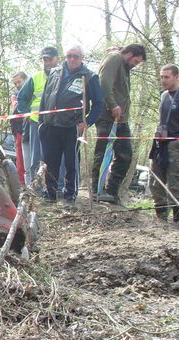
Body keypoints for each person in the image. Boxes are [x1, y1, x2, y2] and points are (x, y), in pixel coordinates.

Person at [38, 45, 102, 206]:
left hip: (72, 127)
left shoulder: (89, 76)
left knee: (70, 163)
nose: (72, 59)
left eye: (76, 56)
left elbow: (99, 104)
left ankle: (69, 196)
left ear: (82, 58)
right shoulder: (54, 72)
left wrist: (86, 122)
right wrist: (41, 121)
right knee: (50, 162)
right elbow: (45, 98)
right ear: (65, 57)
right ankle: (50, 194)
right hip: (50, 125)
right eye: (69, 56)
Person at [92, 44, 147, 204]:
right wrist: (112, 104)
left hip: (121, 120)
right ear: (128, 54)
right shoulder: (114, 58)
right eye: (135, 61)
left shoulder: (124, 66)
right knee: (102, 154)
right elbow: (104, 83)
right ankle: (96, 191)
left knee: (125, 155)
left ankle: (111, 191)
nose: (135, 66)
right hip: (107, 116)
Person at [15, 47, 61, 185]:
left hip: (58, 123)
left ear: (57, 59)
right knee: (37, 158)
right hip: (37, 123)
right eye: (44, 60)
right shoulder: (35, 78)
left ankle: (55, 187)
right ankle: (37, 188)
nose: (46, 63)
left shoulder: (64, 76)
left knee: (56, 156)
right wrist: (27, 112)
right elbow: (21, 99)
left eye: (49, 59)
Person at [152, 64, 179, 220]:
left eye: (167, 77)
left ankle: (177, 218)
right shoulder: (163, 95)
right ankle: (160, 217)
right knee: (155, 180)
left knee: (175, 182)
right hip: (160, 143)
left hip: (175, 144)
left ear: (177, 77)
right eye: (161, 77)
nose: (163, 80)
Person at [10, 72, 28, 184]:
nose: (17, 85)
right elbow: (17, 110)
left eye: (19, 82)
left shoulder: (33, 92)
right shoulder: (15, 95)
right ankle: (21, 183)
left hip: (32, 129)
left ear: (25, 80)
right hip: (19, 130)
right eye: (15, 83)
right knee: (21, 160)